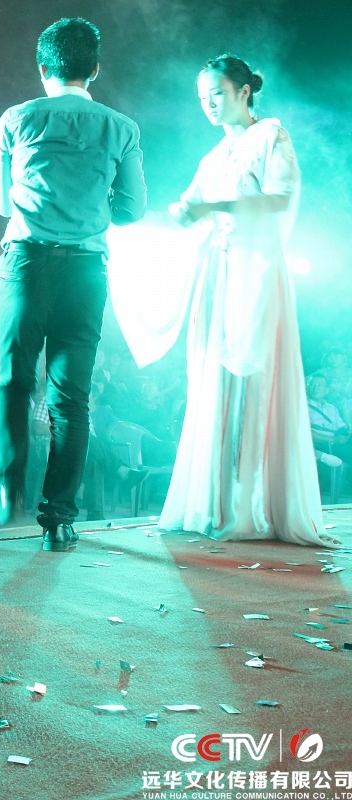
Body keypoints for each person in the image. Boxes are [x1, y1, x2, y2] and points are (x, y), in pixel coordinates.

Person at [112, 55, 331, 546]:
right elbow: (190, 207)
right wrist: (171, 217)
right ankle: (215, 503)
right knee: (213, 381)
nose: (208, 104)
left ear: (243, 91)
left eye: (216, 93)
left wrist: (213, 206)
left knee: (254, 381)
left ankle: (251, 506)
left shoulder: (270, 135)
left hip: (256, 271)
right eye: (201, 97)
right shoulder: (213, 157)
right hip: (219, 271)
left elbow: (279, 198)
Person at [0, 17, 146, 550]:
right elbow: (132, 210)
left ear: (42, 68)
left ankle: (5, 487)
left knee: (14, 380)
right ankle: (59, 517)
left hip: (26, 264)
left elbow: (0, 203)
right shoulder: (122, 128)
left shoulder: (17, 118)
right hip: (84, 271)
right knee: (71, 399)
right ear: (95, 68)